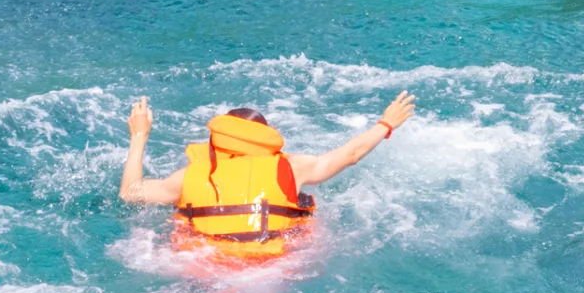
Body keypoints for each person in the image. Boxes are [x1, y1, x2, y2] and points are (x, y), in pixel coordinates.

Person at [120, 92, 416, 257]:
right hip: (275, 272)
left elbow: (130, 194)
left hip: (203, 268)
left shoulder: (190, 175)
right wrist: (385, 124)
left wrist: (140, 136)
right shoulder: (291, 167)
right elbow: (350, 155)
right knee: (314, 222)